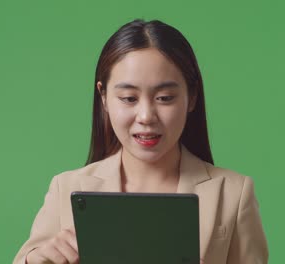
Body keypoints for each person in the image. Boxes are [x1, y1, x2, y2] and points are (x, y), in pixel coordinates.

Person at [13, 19, 268, 264]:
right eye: (128, 98)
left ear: (191, 98)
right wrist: (35, 260)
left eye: (165, 97)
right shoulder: (65, 188)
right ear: (103, 97)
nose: (146, 116)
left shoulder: (234, 192)